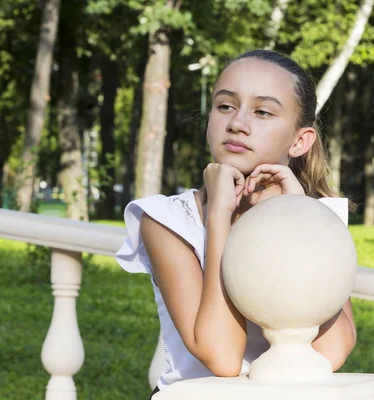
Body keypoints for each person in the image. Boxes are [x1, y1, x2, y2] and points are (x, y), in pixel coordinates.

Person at [115, 49, 357, 398]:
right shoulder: (167, 221)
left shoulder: (319, 217)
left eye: (262, 111)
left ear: (300, 140)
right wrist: (218, 219)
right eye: (225, 106)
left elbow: (331, 352)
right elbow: (223, 358)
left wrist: (297, 213)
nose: (237, 123)